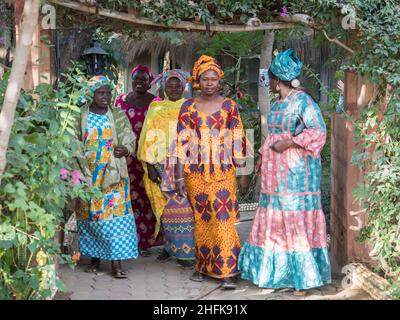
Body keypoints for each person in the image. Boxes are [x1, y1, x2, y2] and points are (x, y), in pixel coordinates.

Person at [238, 49, 331, 295]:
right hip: (273, 174)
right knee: (276, 217)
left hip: (297, 175)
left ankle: (302, 278)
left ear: (278, 80)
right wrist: (260, 158)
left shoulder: (303, 102)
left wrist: (289, 143)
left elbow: (318, 132)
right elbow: (272, 137)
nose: (269, 82)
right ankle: (276, 275)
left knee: (294, 217)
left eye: (271, 78)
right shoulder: (279, 104)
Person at [175, 55, 250, 289]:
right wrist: (178, 176)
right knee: (202, 220)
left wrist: (243, 171)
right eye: (205, 79)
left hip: (223, 171)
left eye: (213, 79)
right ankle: (203, 266)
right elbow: (181, 142)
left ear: (220, 80)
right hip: (195, 174)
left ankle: (228, 270)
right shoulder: (188, 107)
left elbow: (238, 138)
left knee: (224, 219)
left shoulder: (230, 106)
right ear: (198, 80)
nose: (209, 83)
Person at [74, 75, 138, 278]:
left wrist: (126, 149)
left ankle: (116, 264)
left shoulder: (117, 115)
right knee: (92, 216)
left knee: (114, 217)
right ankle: (94, 259)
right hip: (89, 174)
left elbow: (129, 135)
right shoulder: (81, 115)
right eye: (101, 93)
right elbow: (73, 141)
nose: (106, 97)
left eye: (109, 93)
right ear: (91, 95)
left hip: (113, 174)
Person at [137, 69, 195, 268]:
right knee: (167, 211)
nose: (173, 89)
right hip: (162, 165)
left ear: (183, 87)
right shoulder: (156, 108)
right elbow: (147, 136)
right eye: (169, 86)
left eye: (177, 85)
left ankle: (186, 253)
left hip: (186, 165)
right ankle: (171, 248)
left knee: (186, 209)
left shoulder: (190, 107)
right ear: (163, 88)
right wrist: (151, 165)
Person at [115, 65, 163, 256]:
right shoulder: (121, 101)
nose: (140, 83)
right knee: (129, 197)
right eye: (137, 79)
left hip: (149, 158)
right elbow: (116, 126)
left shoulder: (157, 103)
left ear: (150, 82)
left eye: (144, 80)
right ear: (132, 79)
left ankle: (147, 241)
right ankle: (130, 241)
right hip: (127, 157)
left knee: (148, 195)